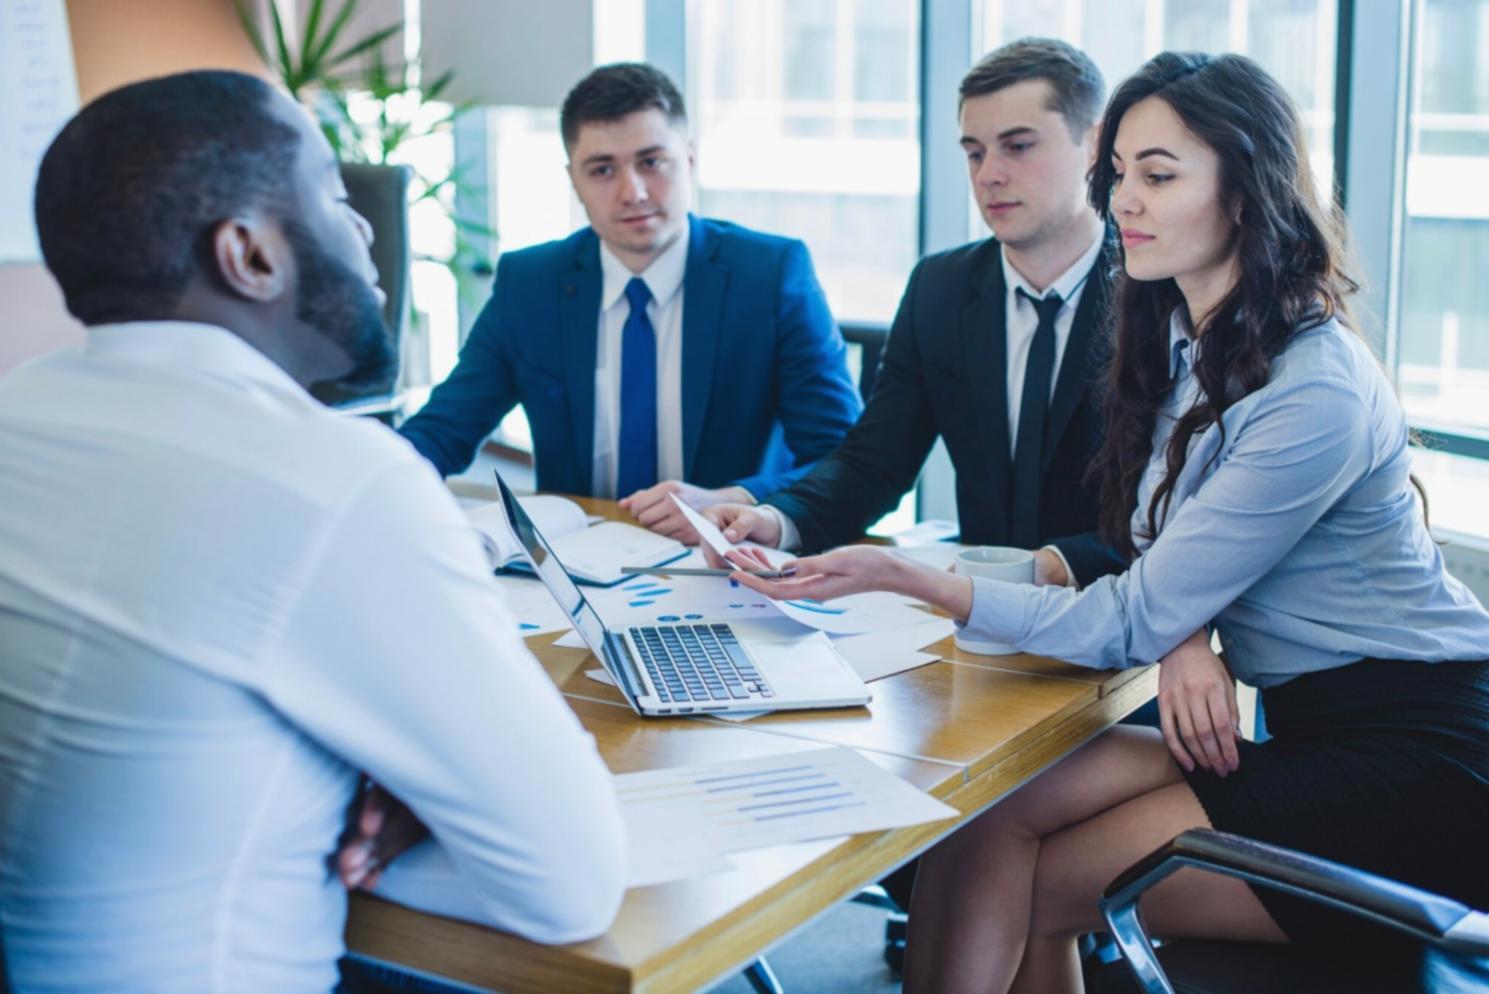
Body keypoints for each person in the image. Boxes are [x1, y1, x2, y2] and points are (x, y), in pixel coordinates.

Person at [724, 52, 1489, 993]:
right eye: (1119, 172)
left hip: (1417, 766)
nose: (1123, 199)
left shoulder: (1312, 388)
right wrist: (1186, 628)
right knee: (980, 815)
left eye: (1158, 176)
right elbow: (1166, 559)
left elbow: (1133, 608)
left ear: (1244, 194)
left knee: (1041, 880)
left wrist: (913, 578)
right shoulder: (1187, 336)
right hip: (1312, 729)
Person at [0, 71, 625, 994]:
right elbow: (570, 887)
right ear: (249, 255)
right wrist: (404, 792)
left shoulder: (20, 411)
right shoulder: (335, 482)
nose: (365, 228)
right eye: (334, 196)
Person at [706, 38, 1125, 587]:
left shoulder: (1157, 291)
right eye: (974, 153)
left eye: (1018, 147)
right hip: (978, 623)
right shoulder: (941, 287)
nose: (988, 175)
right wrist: (778, 519)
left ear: (1094, 145)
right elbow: (874, 461)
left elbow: (1168, 516)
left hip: (1119, 622)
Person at [397, 62, 862, 544]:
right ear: (573, 180)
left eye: (651, 162)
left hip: (729, 561)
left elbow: (843, 459)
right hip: (579, 571)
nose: (632, 192)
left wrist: (738, 496)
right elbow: (440, 434)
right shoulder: (531, 284)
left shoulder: (769, 275)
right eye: (602, 170)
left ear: (690, 160)